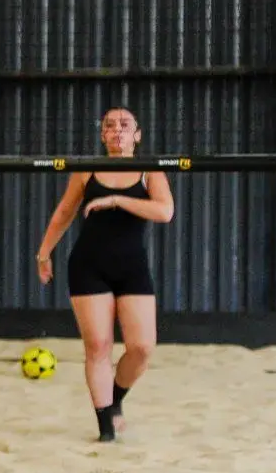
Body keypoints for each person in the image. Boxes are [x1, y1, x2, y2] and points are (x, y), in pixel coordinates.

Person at [34, 107, 174, 443]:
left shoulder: (150, 170)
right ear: (102, 135)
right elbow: (64, 212)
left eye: (125, 125)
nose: (117, 130)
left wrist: (117, 200)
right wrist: (44, 253)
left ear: (137, 135)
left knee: (142, 348)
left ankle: (115, 400)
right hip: (88, 265)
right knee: (98, 346)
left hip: (132, 267)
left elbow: (164, 211)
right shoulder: (87, 170)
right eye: (110, 125)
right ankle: (106, 430)